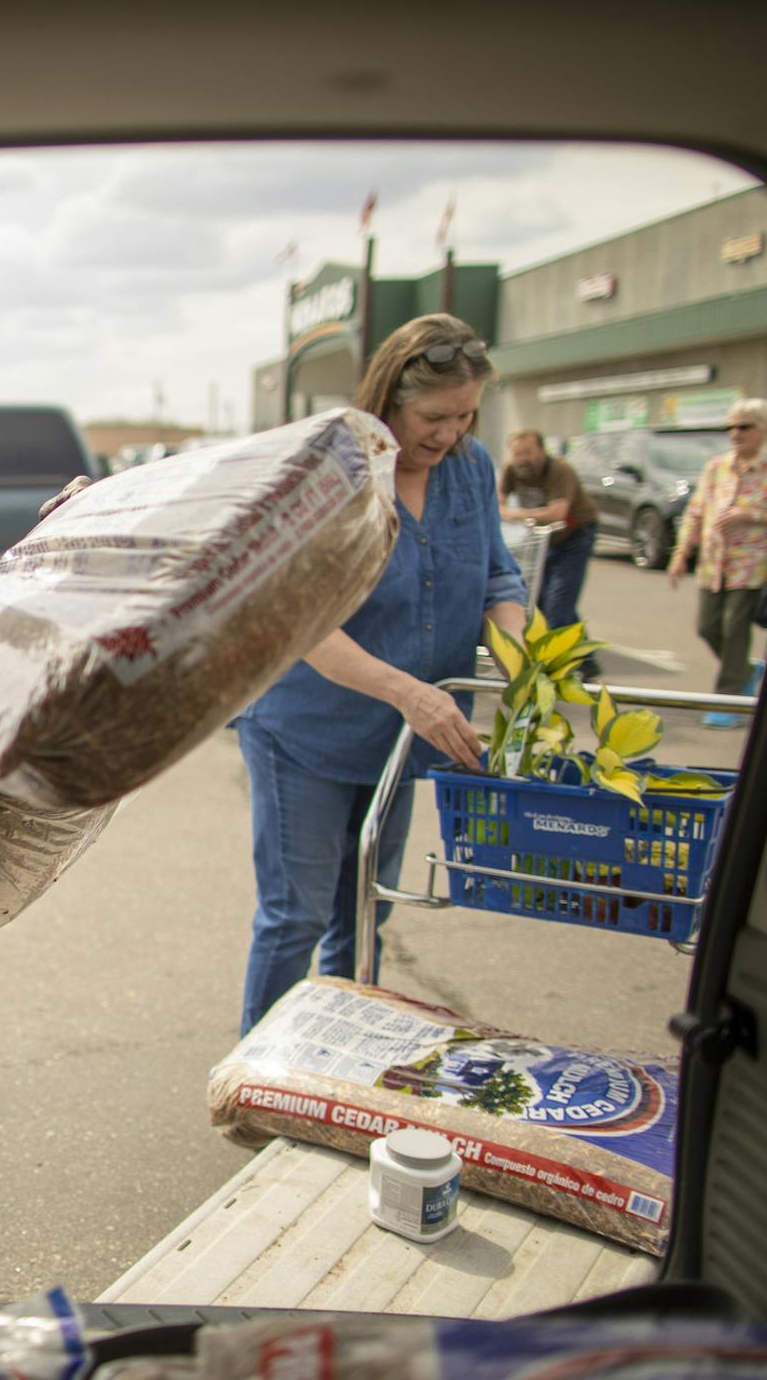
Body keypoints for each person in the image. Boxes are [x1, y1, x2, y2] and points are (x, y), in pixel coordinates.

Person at [234, 315, 527, 1034]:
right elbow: (300, 619)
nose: (448, 432)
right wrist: (408, 692)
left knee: (366, 907)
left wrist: (526, 665)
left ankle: (336, 1054)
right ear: (389, 399)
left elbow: (498, 577)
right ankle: (259, 1072)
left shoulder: (473, 468)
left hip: (399, 740)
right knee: (295, 914)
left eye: (464, 415)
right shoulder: (333, 470)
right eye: (433, 416)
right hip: (307, 731)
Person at [668, 397, 767, 728]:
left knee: (734, 628)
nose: (735, 433)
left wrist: (749, 515)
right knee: (707, 626)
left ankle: (729, 699)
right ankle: (745, 671)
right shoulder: (717, 466)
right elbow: (696, 511)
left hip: (752, 564)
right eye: (731, 427)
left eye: (744, 427)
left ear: (763, 429)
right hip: (713, 563)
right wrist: (682, 552)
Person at [497, 428, 602, 676]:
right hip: (543, 539)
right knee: (543, 600)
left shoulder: (560, 471)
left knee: (559, 602)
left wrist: (516, 515)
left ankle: (557, 667)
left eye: (528, 453)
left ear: (542, 451)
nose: (523, 459)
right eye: (518, 454)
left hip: (575, 536)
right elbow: (497, 503)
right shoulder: (511, 471)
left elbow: (558, 513)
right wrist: (518, 516)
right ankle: (585, 659)